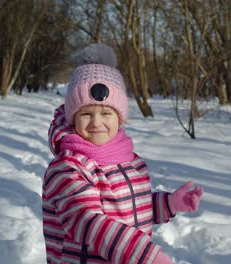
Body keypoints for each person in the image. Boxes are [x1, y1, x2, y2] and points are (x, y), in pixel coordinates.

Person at [42, 43, 203, 264]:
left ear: (120, 117)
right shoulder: (68, 168)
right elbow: (89, 222)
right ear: (72, 118)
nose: (96, 122)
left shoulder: (131, 162)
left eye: (106, 112)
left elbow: (131, 207)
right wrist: (147, 257)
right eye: (86, 113)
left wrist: (169, 204)